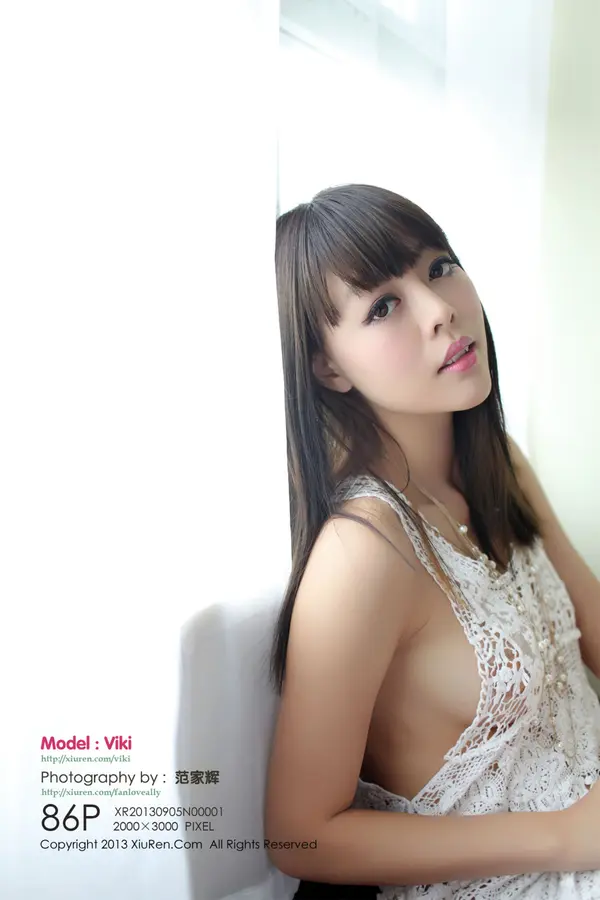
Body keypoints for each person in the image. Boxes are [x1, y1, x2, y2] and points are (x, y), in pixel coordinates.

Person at [263, 183, 600, 899]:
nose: (440, 308)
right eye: (383, 306)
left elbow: (593, 623)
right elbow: (300, 834)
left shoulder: (497, 464)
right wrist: (567, 835)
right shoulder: (363, 551)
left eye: (439, 267)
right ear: (327, 367)